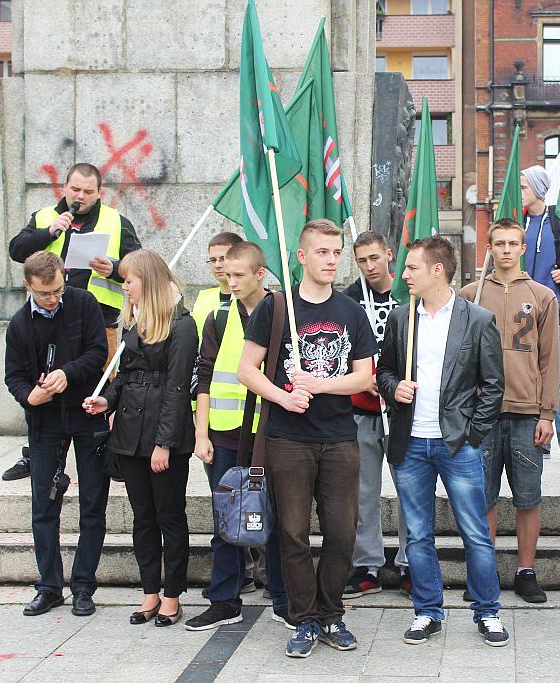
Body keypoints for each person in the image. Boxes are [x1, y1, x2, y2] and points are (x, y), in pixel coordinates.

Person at [238, 219, 377, 658]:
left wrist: (319, 384)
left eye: (337, 253)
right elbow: (246, 370)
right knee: (293, 534)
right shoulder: (276, 307)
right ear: (301, 256)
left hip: (339, 437)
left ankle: (332, 613)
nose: (331, 261)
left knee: (340, 532)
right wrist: (282, 396)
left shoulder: (351, 311)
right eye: (322, 252)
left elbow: (364, 375)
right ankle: (304, 620)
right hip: (288, 439)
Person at [377, 236, 508, 647]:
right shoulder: (401, 319)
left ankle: (487, 612)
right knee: (417, 534)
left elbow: (493, 386)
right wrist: (394, 387)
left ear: (437, 270)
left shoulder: (478, 319)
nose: (404, 275)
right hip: (409, 444)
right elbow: (384, 372)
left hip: (457, 444)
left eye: (412, 268)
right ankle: (427, 612)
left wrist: (472, 435)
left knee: (475, 533)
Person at [4, 163, 142, 482]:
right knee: (41, 380)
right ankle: (37, 453)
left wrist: (115, 267)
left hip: (99, 319)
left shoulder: (116, 222)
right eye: (75, 189)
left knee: (99, 382)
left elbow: (139, 265)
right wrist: (50, 232)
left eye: (88, 192)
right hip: (48, 318)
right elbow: (17, 250)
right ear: (64, 187)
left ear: (99, 193)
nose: (80, 196)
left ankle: (103, 448)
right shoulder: (43, 218)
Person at [83, 249, 198, 628]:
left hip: (164, 436)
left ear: (146, 280)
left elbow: (178, 388)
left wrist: (164, 443)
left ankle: (172, 595)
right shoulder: (133, 322)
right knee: (142, 518)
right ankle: (150, 590)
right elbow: (124, 376)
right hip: (130, 436)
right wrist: (106, 400)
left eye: (129, 279)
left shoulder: (182, 324)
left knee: (169, 516)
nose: (125, 285)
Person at [184, 241, 289, 631]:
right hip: (225, 434)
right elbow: (204, 375)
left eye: (238, 275)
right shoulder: (217, 317)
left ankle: (282, 598)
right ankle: (224, 600)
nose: (230, 282)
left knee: (277, 518)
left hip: (272, 435)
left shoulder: (281, 312)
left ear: (260, 274)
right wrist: (201, 432)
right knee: (226, 519)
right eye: (226, 275)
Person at [4, 252, 109, 617]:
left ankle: (83, 586)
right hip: (45, 422)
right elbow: (13, 375)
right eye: (45, 293)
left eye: (58, 290)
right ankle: (49, 586)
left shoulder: (82, 303)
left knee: (92, 504)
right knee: (43, 507)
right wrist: (28, 396)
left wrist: (68, 372)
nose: (53, 299)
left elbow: (99, 353)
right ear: (28, 286)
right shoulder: (19, 323)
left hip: (86, 414)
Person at [461, 218, 559, 603]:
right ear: (490, 247)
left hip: (525, 411)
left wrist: (548, 413)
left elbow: (550, 360)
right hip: (481, 413)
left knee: (527, 496)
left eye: (512, 243)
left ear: (521, 248)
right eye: (498, 243)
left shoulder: (541, 296)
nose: (505, 249)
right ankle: (483, 573)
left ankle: (526, 570)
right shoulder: (472, 293)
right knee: (481, 496)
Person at [341, 231, 411, 599]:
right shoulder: (348, 300)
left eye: (374, 258)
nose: (369, 266)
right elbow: (338, 353)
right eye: (362, 260)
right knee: (363, 491)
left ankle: (409, 564)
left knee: (409, 490)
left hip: (402, 410)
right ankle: (366, 564)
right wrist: (360, 380)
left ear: (388, 255)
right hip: (361, 410)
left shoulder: (409, 292)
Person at [521, 165, 560, 467]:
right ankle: (540, 441)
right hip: (520, 315)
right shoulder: (516, 224)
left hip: (553, 314)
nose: (520, 192)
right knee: (527, 379)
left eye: (524, 186)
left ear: (538, 189)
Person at [191, 232, 243, 346]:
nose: (217, 265)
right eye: (213, 260)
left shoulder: (256, 299)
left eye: (223, 259)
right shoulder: (203, 298)